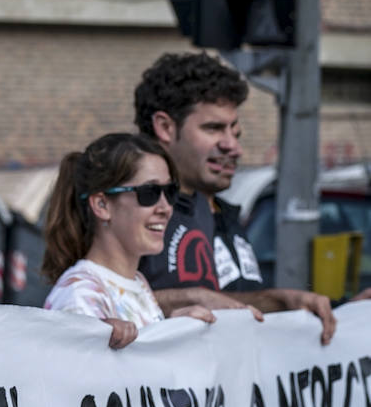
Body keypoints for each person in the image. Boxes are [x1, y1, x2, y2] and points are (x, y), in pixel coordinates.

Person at [133, 52, 335, 343]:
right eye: (213, 128)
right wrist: (189, 298)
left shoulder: (219, 212)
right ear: (165, 127)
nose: (233, 147)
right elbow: (93, 308)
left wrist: (289, 304)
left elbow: (231, 307)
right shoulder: (131, 208)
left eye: (235, 132)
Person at [40, 132, 221, 348]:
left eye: (171, 192)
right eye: (149, 192)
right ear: (102, 205)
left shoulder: (137, 282)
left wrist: (175, 329)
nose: (165, 208)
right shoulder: (81, 295)